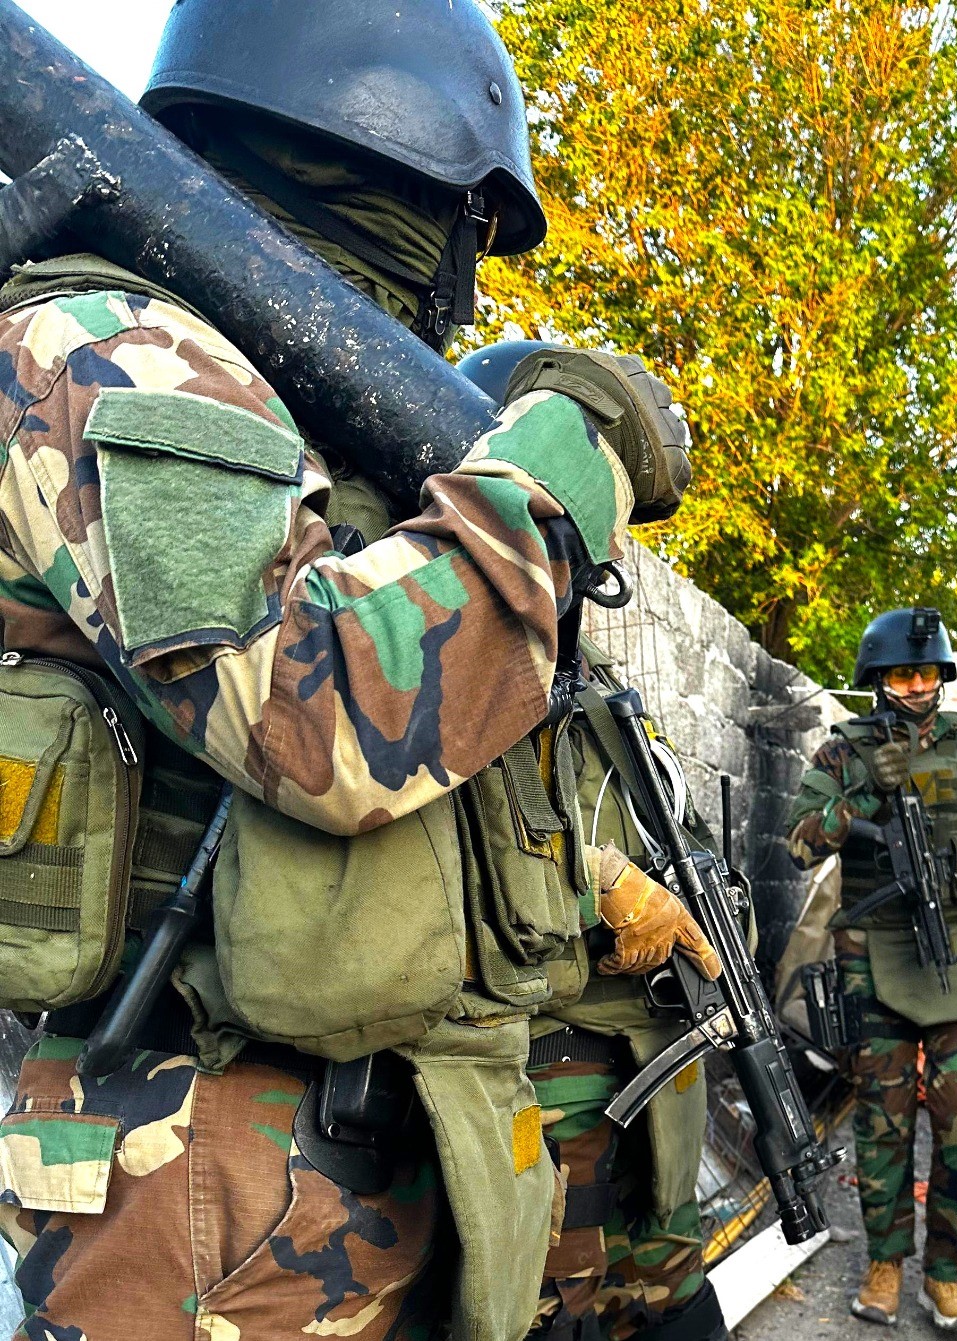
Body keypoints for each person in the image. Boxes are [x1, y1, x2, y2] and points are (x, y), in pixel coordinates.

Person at [0, 4, 712, 1338]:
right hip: (199, 1182)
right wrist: (558, 480)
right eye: (473, 228)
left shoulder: (275, 394)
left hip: (347, 1152)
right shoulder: (112, 344)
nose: (465, 277)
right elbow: (317, 710)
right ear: (411, 174)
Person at [461, 342, 728, 1341]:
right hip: (527, 1084)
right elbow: (429, 860)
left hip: (645, 1070)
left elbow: (672, 830)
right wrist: (599, 885)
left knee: (669, 1309)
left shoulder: (606, 702)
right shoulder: (442, 675)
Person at [785, 608, 957, 1334]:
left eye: (927, 671)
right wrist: (865, 795)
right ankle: (886, 1264)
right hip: (874, 954)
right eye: (902, 673)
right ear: (877, 679)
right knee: (882, 1122)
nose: (916, 684)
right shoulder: (845, 750)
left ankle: (946, 1275)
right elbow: (801, 845)